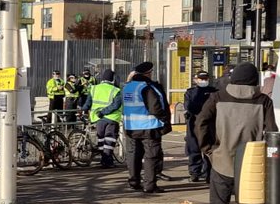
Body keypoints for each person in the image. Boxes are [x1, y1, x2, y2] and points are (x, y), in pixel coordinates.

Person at [195, 62, 277, 204]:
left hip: (221, 160)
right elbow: (273, 133)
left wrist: (207, 149)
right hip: (251, 165)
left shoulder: (217, 98)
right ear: (255, 79)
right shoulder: (264, 101)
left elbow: (201, 122)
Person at [122, 61, 171, 194]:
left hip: (131, 127)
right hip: (149, 127)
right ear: (148, 73)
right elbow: (155, 107)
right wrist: (164, 120)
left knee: (133, 156)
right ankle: (149, 185)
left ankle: (134, 181)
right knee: (151, 156)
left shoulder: (128, 87)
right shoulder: (147, 87)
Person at [81, 69, 122, 167]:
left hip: (97, 118)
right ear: (113, 79)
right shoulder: (116, 90)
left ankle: (103, 160)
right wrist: (104, 112)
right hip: (111, 118)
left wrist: (83, 110)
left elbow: (88, 102)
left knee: (101, 139)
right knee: (110, 139)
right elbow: (116, 105)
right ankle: (107, 161)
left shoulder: (94, 88)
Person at [182, 71, 215, 183]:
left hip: (207, 124)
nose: (203, 80)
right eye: (201, 78)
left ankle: (207, 173)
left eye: (205, 78)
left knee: (207, 148)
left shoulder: (213, 92)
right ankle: (195, 173)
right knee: (194, 148)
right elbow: (188, 106)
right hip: (195, 123)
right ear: (196, 80)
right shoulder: (191, 93)